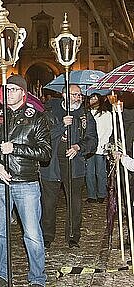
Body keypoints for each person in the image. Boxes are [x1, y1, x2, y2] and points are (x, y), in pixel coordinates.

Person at [0, 74, 51, 287]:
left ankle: (37, 277)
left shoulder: (36, 118)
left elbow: (45, 153)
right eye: (7, 90)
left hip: (26, 183)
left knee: (32, 234)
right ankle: (3, 273)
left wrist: (15, 148)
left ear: (23, 93)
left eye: (14, 90)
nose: (9, 93)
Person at [41, 84, 97, 249]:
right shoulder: (50, 111)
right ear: (64, 94)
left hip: (74, 164)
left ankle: (73, 236)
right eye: (74, 94)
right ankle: (47, 235)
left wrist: (78, 147)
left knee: (75, 203)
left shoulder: (85, 115)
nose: (78, 98)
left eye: (79, 95)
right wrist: (61, 126)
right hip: (51, 164)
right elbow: (42, 136)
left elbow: (92, 139)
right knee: (49, 203)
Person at [85, 93, 112, 203]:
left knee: (100, 171)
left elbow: (109, 129)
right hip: (89, 146)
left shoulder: (106, 114)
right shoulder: (86, 114)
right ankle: (92, 194)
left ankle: (101, 193)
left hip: (101, 146)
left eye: (95, 98)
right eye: (91, 98)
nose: (93, 100)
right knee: (89, 171)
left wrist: (104, 143)